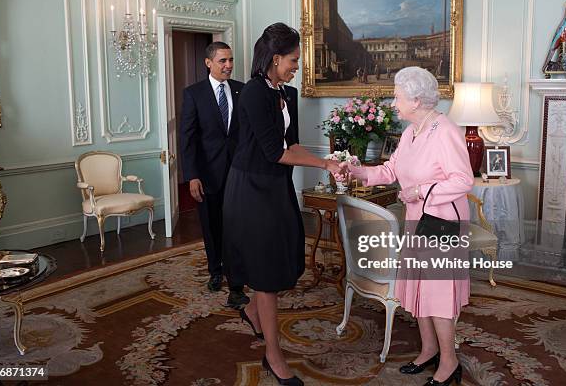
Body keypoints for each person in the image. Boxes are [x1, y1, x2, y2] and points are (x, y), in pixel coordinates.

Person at [223, 23, 341, 385]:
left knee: (285, 255)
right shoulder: (254, 94)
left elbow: (293, 145)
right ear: (275, 59)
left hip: (275, 188)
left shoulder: (286, 93)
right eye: (293, 60)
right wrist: (324, 165)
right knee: (267, 273)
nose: (297, 67)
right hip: (250, 189)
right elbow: (275, 152)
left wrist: (331, 159)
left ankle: (252, 311)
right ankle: (274, 355)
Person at [341, 66, 473, 386]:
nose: (393, 101)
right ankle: (428, 350)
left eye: (397, 96)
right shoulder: (412, 132)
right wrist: (358, 172)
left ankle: (449, 362)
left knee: (438, 293)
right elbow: (390, 170)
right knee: (419, 287)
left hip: (443, 224)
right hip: (417, 221)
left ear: (415, 99)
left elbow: (463, 180)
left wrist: (419, 191)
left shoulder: (445, 131)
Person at [180, 41, 249, 309]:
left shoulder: (243, 90)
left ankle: (237, 282)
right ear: (208, 63)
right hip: (207, 174)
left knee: (237, 227)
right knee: (212, 226)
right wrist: (192, 176)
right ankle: (215, 270)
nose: (229, 65)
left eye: (231, 60)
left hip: (239, 173)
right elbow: (187, 139)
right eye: (223, 61)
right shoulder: (193, 94)